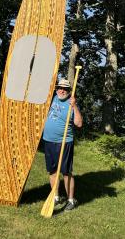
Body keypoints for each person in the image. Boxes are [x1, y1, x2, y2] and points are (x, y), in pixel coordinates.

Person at [42, 78, 83, 211]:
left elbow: (79, 123)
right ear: (56, 88)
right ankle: (55, 196)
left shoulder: (71, 104)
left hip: (64, 142)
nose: (62, 90)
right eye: (60, 87)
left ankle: (71, 200)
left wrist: (74, 106)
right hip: (48, 140)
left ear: (69, 91)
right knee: (52, 171)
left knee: (66, 172)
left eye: (65, 89)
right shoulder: (52, 98)